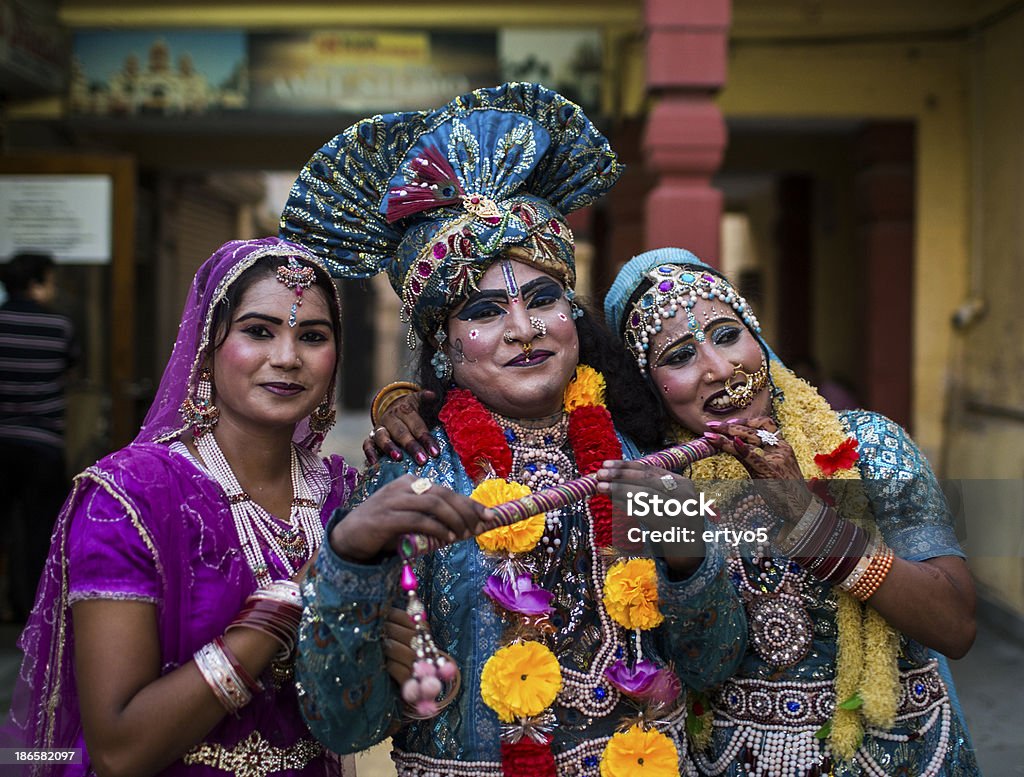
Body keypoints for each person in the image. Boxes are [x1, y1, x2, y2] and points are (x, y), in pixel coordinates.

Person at [280, 83, 747, 776]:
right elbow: (345, 720)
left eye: (542, 297)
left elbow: (713, 666)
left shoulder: (637, 449)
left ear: (573, 314)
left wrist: (682, 546)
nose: (524, 330)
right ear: (443, 344)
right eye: (485, 311)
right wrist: (350, 558)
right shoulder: (409, 477)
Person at [374, 246, 981, 776]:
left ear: (757, 336)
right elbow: (701, 661)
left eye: (726, 334)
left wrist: (807, 519)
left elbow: (954, 625)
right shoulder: (656, 475)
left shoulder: (863, 446)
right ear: (647, 382)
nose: (719, 370)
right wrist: (409, 406)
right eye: (679, 356)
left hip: (901, 752)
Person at [1, 237, 490, 777]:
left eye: (312, 336)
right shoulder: (130, 497)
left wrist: (401, 677)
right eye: (259, 331)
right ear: (208, 349)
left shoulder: (345, 493)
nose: (286, 358)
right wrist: (309, 588)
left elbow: (363, 704)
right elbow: (120, 750)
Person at [0, 252, 79, 622]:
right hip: (42, 442)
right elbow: (68, 371)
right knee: (39, 532)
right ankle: (31, 611)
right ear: (35, 284)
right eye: (49, 280)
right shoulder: (58, 327)